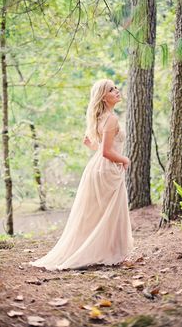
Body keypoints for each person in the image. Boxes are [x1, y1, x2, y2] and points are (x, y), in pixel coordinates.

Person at [30, 79, 134, 271]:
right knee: (108, 212)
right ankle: (107, 253)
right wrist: (124, 160)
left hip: (98, 168)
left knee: (99, 213)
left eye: (116, 87)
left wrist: (92, 146)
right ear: (104, 96)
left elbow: (100, 149)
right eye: (112, 89)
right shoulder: (110, 119)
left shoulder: (103, 117)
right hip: (107, 169)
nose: (117, 90)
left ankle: (104, 251)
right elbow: (106, 152)